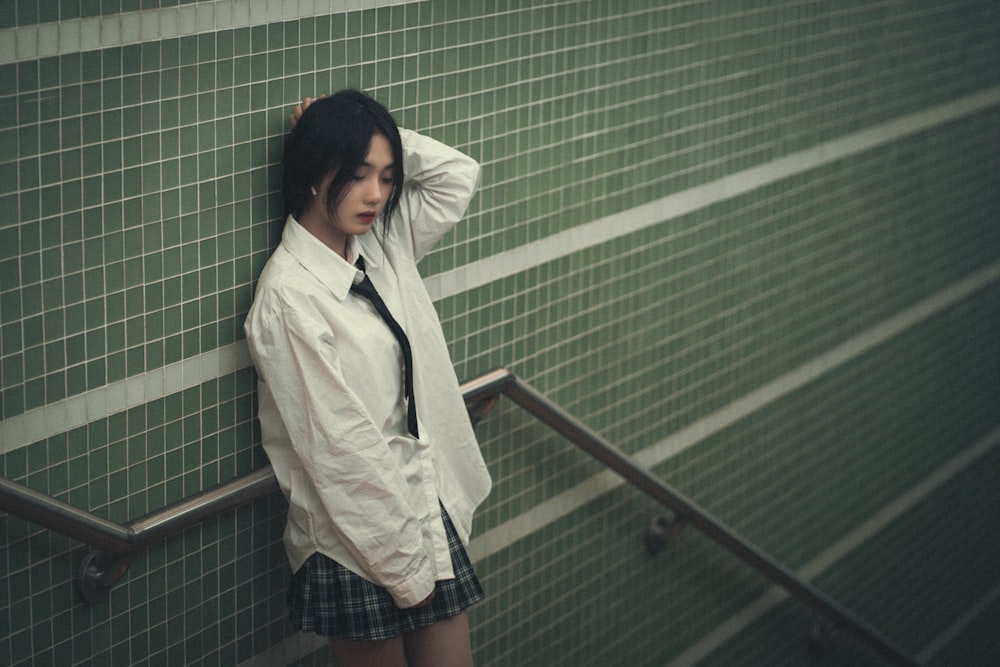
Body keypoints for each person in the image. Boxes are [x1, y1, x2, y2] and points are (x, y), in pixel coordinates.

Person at [244, 90, 492, 667]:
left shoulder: (379, 245)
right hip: (355, 538)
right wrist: (405, 563)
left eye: (386, 176)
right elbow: (337, 450)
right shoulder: (288, 299)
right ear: (312, 172)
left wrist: (366, 132)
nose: (377, 194)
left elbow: (458, 175)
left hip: (422, 507)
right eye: (357, 175)